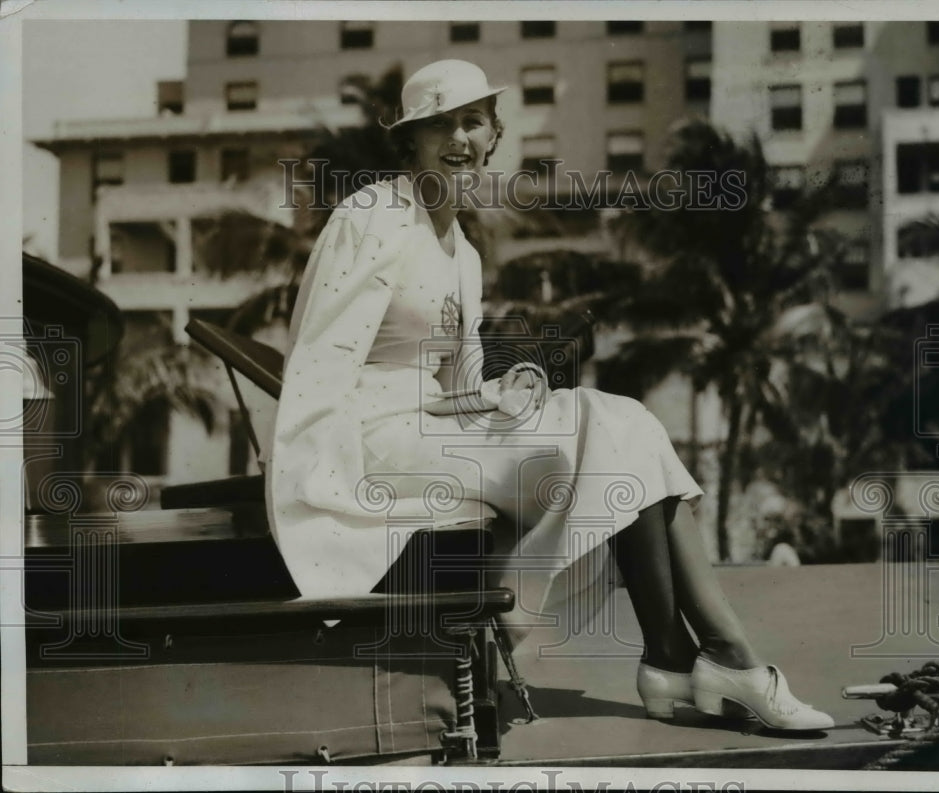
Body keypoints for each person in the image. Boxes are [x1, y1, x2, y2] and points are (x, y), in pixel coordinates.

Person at [264, 60, 833, 732]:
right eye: (439, 124)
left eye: (473, 121)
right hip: (371, 442)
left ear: (493, 136)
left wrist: (503, 389)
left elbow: (456, 389)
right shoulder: (374, 216)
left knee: (625, 420)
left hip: (430, 431)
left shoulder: (463, 252)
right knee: (605, 431)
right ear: (410, 139)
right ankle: (709, 657)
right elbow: (320, 363)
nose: (459, 138)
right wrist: (318, 485)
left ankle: (684, 656)